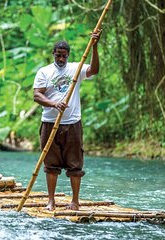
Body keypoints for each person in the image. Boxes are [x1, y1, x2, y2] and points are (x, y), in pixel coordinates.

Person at [33, 30, 102, 211]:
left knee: (75, 162)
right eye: (58, 55)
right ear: (53, 54)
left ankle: (75, 201)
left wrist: (94, 46)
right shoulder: (44, 72)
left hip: (72, 123)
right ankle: (51, 201)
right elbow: (37, 95)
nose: (61, 59)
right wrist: (54, 104)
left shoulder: (75, 69)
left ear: (68, 55)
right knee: (50, 163)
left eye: (64, 56)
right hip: (49, 123)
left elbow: (94, 69)